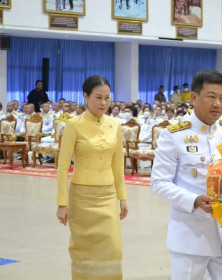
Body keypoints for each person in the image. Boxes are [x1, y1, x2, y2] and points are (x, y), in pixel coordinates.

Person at [151, 70, 222, 280]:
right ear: (194, 97)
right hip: (191, 236)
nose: (218, 104)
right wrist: (193, 200)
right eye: (211, 97)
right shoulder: (175, 134)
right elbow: (158, 182)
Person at [56, 75, 128, 279]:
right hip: (81, 197)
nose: (104, 103)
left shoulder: (115, 125)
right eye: (98, 97)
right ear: (85, 97)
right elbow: (62, 167)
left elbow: (118, 164)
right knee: (84, 252)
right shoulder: (74, 125)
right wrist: (62, 203)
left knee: (113, 250)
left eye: (107, 97)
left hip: (107, 196)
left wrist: (122, 197)